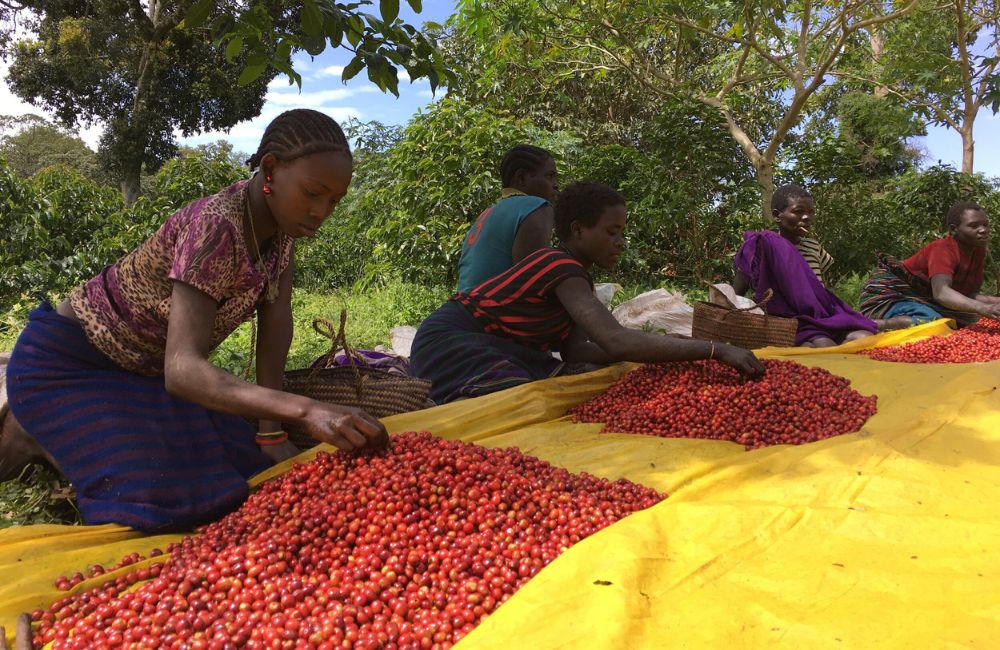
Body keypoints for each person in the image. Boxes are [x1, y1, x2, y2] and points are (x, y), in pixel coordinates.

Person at [4, 109, 387, 532]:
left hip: (145, 378)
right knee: (160, 497)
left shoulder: (281, 232)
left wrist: (272, 432)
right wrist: (307, 409)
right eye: (313, 193)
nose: (321, 211)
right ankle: (30, 429)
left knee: (242, 469)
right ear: (270, 170)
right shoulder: (215, 226)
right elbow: (183, 370)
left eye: (334, 201)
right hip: (70, 366)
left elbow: (275, 328)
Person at [410, 181, 765, 404]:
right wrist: (714, 349)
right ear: (578, 230)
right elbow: (615, 340)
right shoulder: (558, 266)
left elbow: (576, 349)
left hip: (490, 346)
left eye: (621, 233)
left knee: (559, 381)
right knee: (520, 399)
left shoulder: (576, 278)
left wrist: (662, 347)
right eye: (611, 232)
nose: (620, 242)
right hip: (451, 343)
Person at [732, 184, 882, 347]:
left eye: (811, 212)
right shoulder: (762, 248)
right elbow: (735, 295)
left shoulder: (814, 247)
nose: (806, 217)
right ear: (777, 215)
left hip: (821, 318)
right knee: (823, 345)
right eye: (798, 211)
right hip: (788, 322)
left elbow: (820, 288)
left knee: (865, 337)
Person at [859, 201, 1000, 326]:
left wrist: (994, 303)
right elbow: (941, 293)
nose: (983, 230)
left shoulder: (979, 251)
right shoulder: (943, 249)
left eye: (985, 225)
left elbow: (970, 295)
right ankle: (870, 324)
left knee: (970, 320)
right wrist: (984, 308)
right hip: (890, 295)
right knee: (932, 322)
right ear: (953, 229)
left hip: (921, 299)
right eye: (974, 226)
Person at [455, 144, 558, 292]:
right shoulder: (536, 206)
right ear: (522, 178)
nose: (556, 185)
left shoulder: (489, 212)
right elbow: (532, 283)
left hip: (464, 302)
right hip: (493, 305)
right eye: (549, 176)